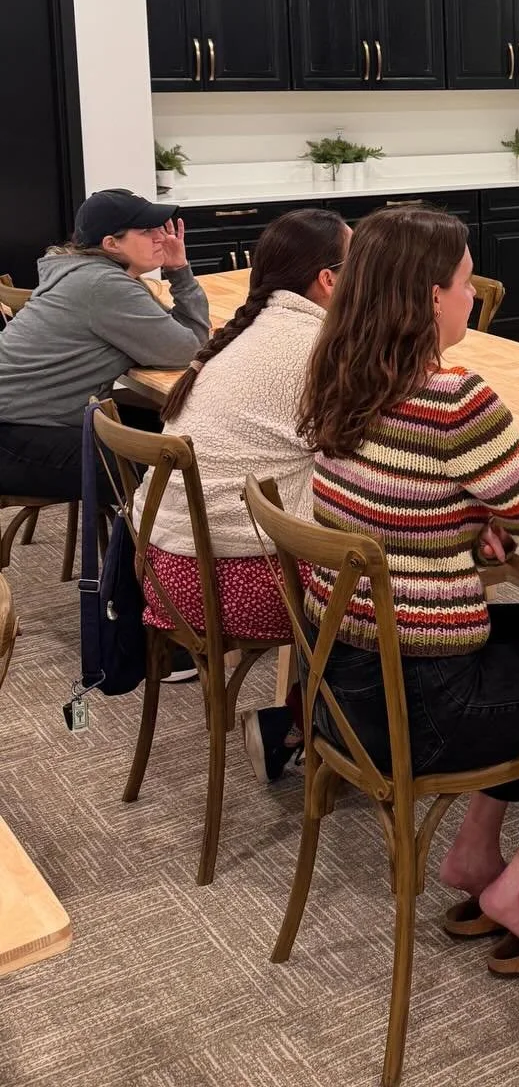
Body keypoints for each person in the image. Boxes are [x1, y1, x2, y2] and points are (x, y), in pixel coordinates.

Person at [297, 206, 519, 973]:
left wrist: (462, 518)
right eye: (466, 283)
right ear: (430, 298)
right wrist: (490, 507)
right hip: (423, 706)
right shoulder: (452, 399)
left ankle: (472, 853)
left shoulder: (339, 376)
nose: (473, 297)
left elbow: (392, 500)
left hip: (344, 684)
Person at [138, 208, 350, 784]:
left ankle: (306, 725)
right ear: (328, 280)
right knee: (385, 577)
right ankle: (316, 731)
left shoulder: (250, 333)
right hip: (228, 582)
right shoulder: (317, 348)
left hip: (168, 569)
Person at [0, 189, 209, 502]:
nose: (161, 238)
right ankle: (139, 551)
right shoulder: (103, 286)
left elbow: (177, 339)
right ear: (111, 244)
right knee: (172, 476)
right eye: (147, 231)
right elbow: (189, 349)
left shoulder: (88, 274)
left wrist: (176, 269)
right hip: (17, 435)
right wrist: (180, 272)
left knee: (177, 436)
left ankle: (138, 545)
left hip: (33, 420)